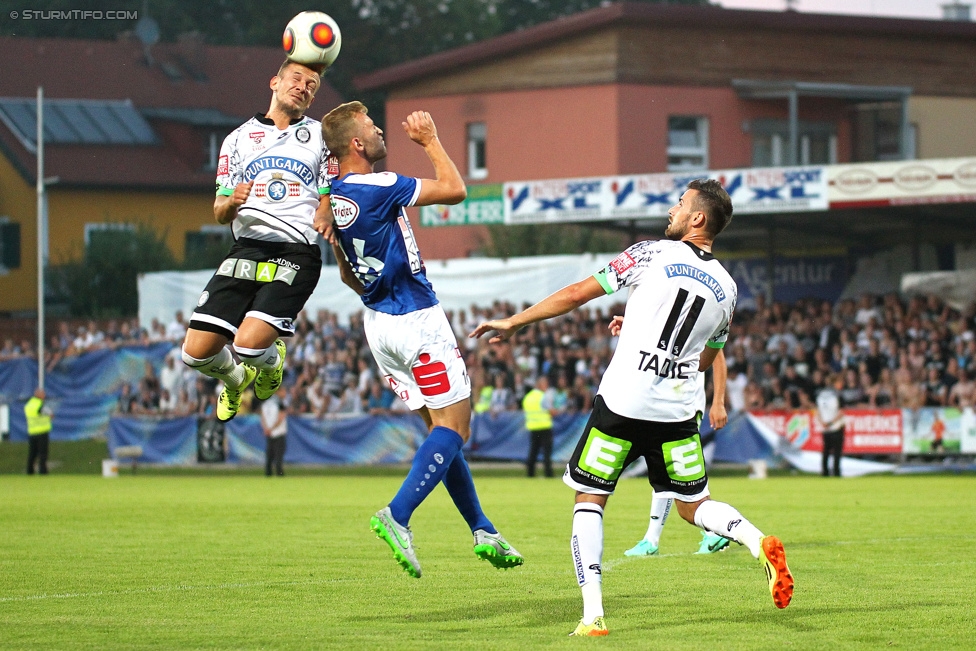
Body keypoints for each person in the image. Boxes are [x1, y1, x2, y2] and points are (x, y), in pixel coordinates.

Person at [471, 179, 793, 636]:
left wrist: (516, 321)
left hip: (625, 402)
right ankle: (758, 542)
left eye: (681, 204)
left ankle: (593, 617)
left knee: (590, 499)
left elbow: (579, 292)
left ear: (697, 218)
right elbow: (704, 358)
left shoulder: (651, 253)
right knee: (692, 505)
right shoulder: (727, 287)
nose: (672, 210)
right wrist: (643, 325)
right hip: (678, 410)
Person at [322, 101, 523, 578]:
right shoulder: (380, 185)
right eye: (370, 127)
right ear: (356, 144)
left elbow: (349, 278)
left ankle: (483, 528)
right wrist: (430, 140)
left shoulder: (335, 196)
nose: (378, 131)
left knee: (440, 431)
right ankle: (398, 514)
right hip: (416, 320)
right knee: (455, 429)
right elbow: (455, 189)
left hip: (378, 325)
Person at [180, 59, 334, 423]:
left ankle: (271, 358)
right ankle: (234, 381)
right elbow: (219, 211)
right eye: (296, 79)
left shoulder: (321, 135)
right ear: (274, 83)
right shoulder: (236, 139)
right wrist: (232, 200)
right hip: (247, 247)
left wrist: (326, 211)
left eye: (312, 85)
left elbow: (329, 189)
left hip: (296, 249)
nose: (303, 87)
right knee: (195, 354)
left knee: (249, 346)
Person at [621, 336, 732, 556]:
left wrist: (718, 402)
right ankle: (653, 540)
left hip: (685, 406)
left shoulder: (699, 313)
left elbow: (718, 357)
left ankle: (712, 532)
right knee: (665, 469)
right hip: (666, 405)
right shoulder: (671, 316)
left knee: (675, 470)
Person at [523, 374, 557, 478]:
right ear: (540, 384)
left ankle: (530, 473)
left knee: (533, 452)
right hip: (545, 427)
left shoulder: (527, 397)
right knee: (547, 453)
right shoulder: (543, 397)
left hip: (533, 428)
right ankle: (548, 473)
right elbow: (551, 412)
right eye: (545, 384)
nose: (546, 386)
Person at [816, 374, 845, 477]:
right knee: (837, 451)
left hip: (824, 427)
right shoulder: (837, 394)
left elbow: (818, 411)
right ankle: (836, 472)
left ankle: (825, 472)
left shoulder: (820, 394)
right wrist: (831, 422)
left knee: (826, 451)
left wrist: (823, 423)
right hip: (836, 426)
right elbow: (841, 412)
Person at [261, 386, 288, 476]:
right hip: (279, 433)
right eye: (283, 391)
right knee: (278, 458)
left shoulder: (265, 402)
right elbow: (281, 417)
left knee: (269, 458)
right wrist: (271, 428)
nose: (285, 393)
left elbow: (263, 417)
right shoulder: (280, 403)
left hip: (269, 433)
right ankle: (279, 476)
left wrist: (266, 429)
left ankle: (268, 475)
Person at [24, 388, 52, 475]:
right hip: (42, 431)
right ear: (39, 395)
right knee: (43, 453)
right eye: (43, 394)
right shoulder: (40, 405)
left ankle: (29, 471)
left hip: (32, 432)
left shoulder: (28, 405)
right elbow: (50, 414)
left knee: (32, 453)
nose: (44, 396)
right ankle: (42, 471)